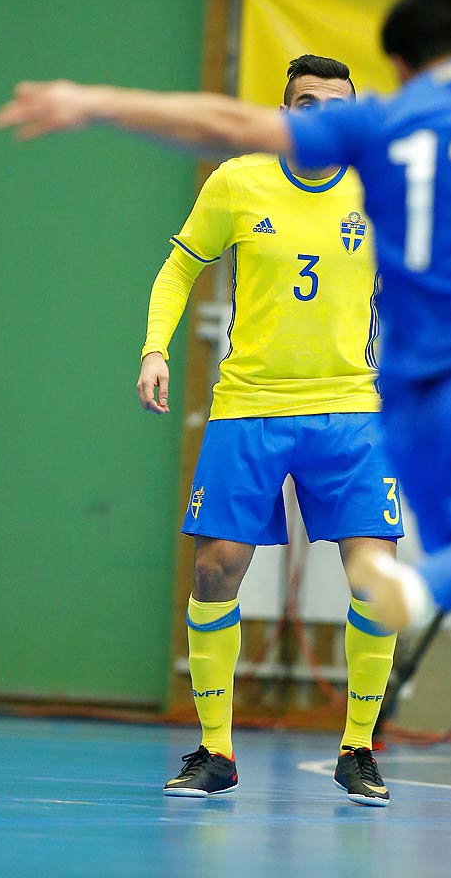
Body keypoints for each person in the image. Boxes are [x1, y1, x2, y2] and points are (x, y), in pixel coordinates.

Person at [0, 0, 451, 878]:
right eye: (305, 104)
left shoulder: (379, 154)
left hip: (376, 407)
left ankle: (439, 784)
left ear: (395, 75)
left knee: (448, 605)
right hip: (352, 398)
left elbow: (212, 115)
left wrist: (93, 103)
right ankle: (234, 737)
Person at [142, 54, 404, 805]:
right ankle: (216, 752)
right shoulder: (238, 181)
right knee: (215, 570)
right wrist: (155, 349)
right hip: (250, 406)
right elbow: (178, 268)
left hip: (350, 408)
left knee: (375, 578)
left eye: (336, 104)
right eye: (305, 101)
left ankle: (358, 748)